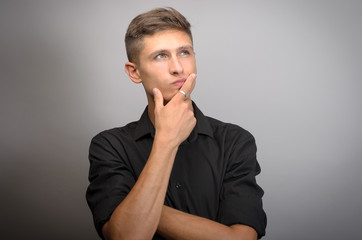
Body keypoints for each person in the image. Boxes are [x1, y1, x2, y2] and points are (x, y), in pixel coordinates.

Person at [86, 7, 267, 240]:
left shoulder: (234, 141)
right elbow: (126, 237)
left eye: (184, 52)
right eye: (160, 56)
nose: (178, 68)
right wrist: (166, 140)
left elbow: (241, 238)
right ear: (134, 72)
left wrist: (140, 208)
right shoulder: (109, 146)